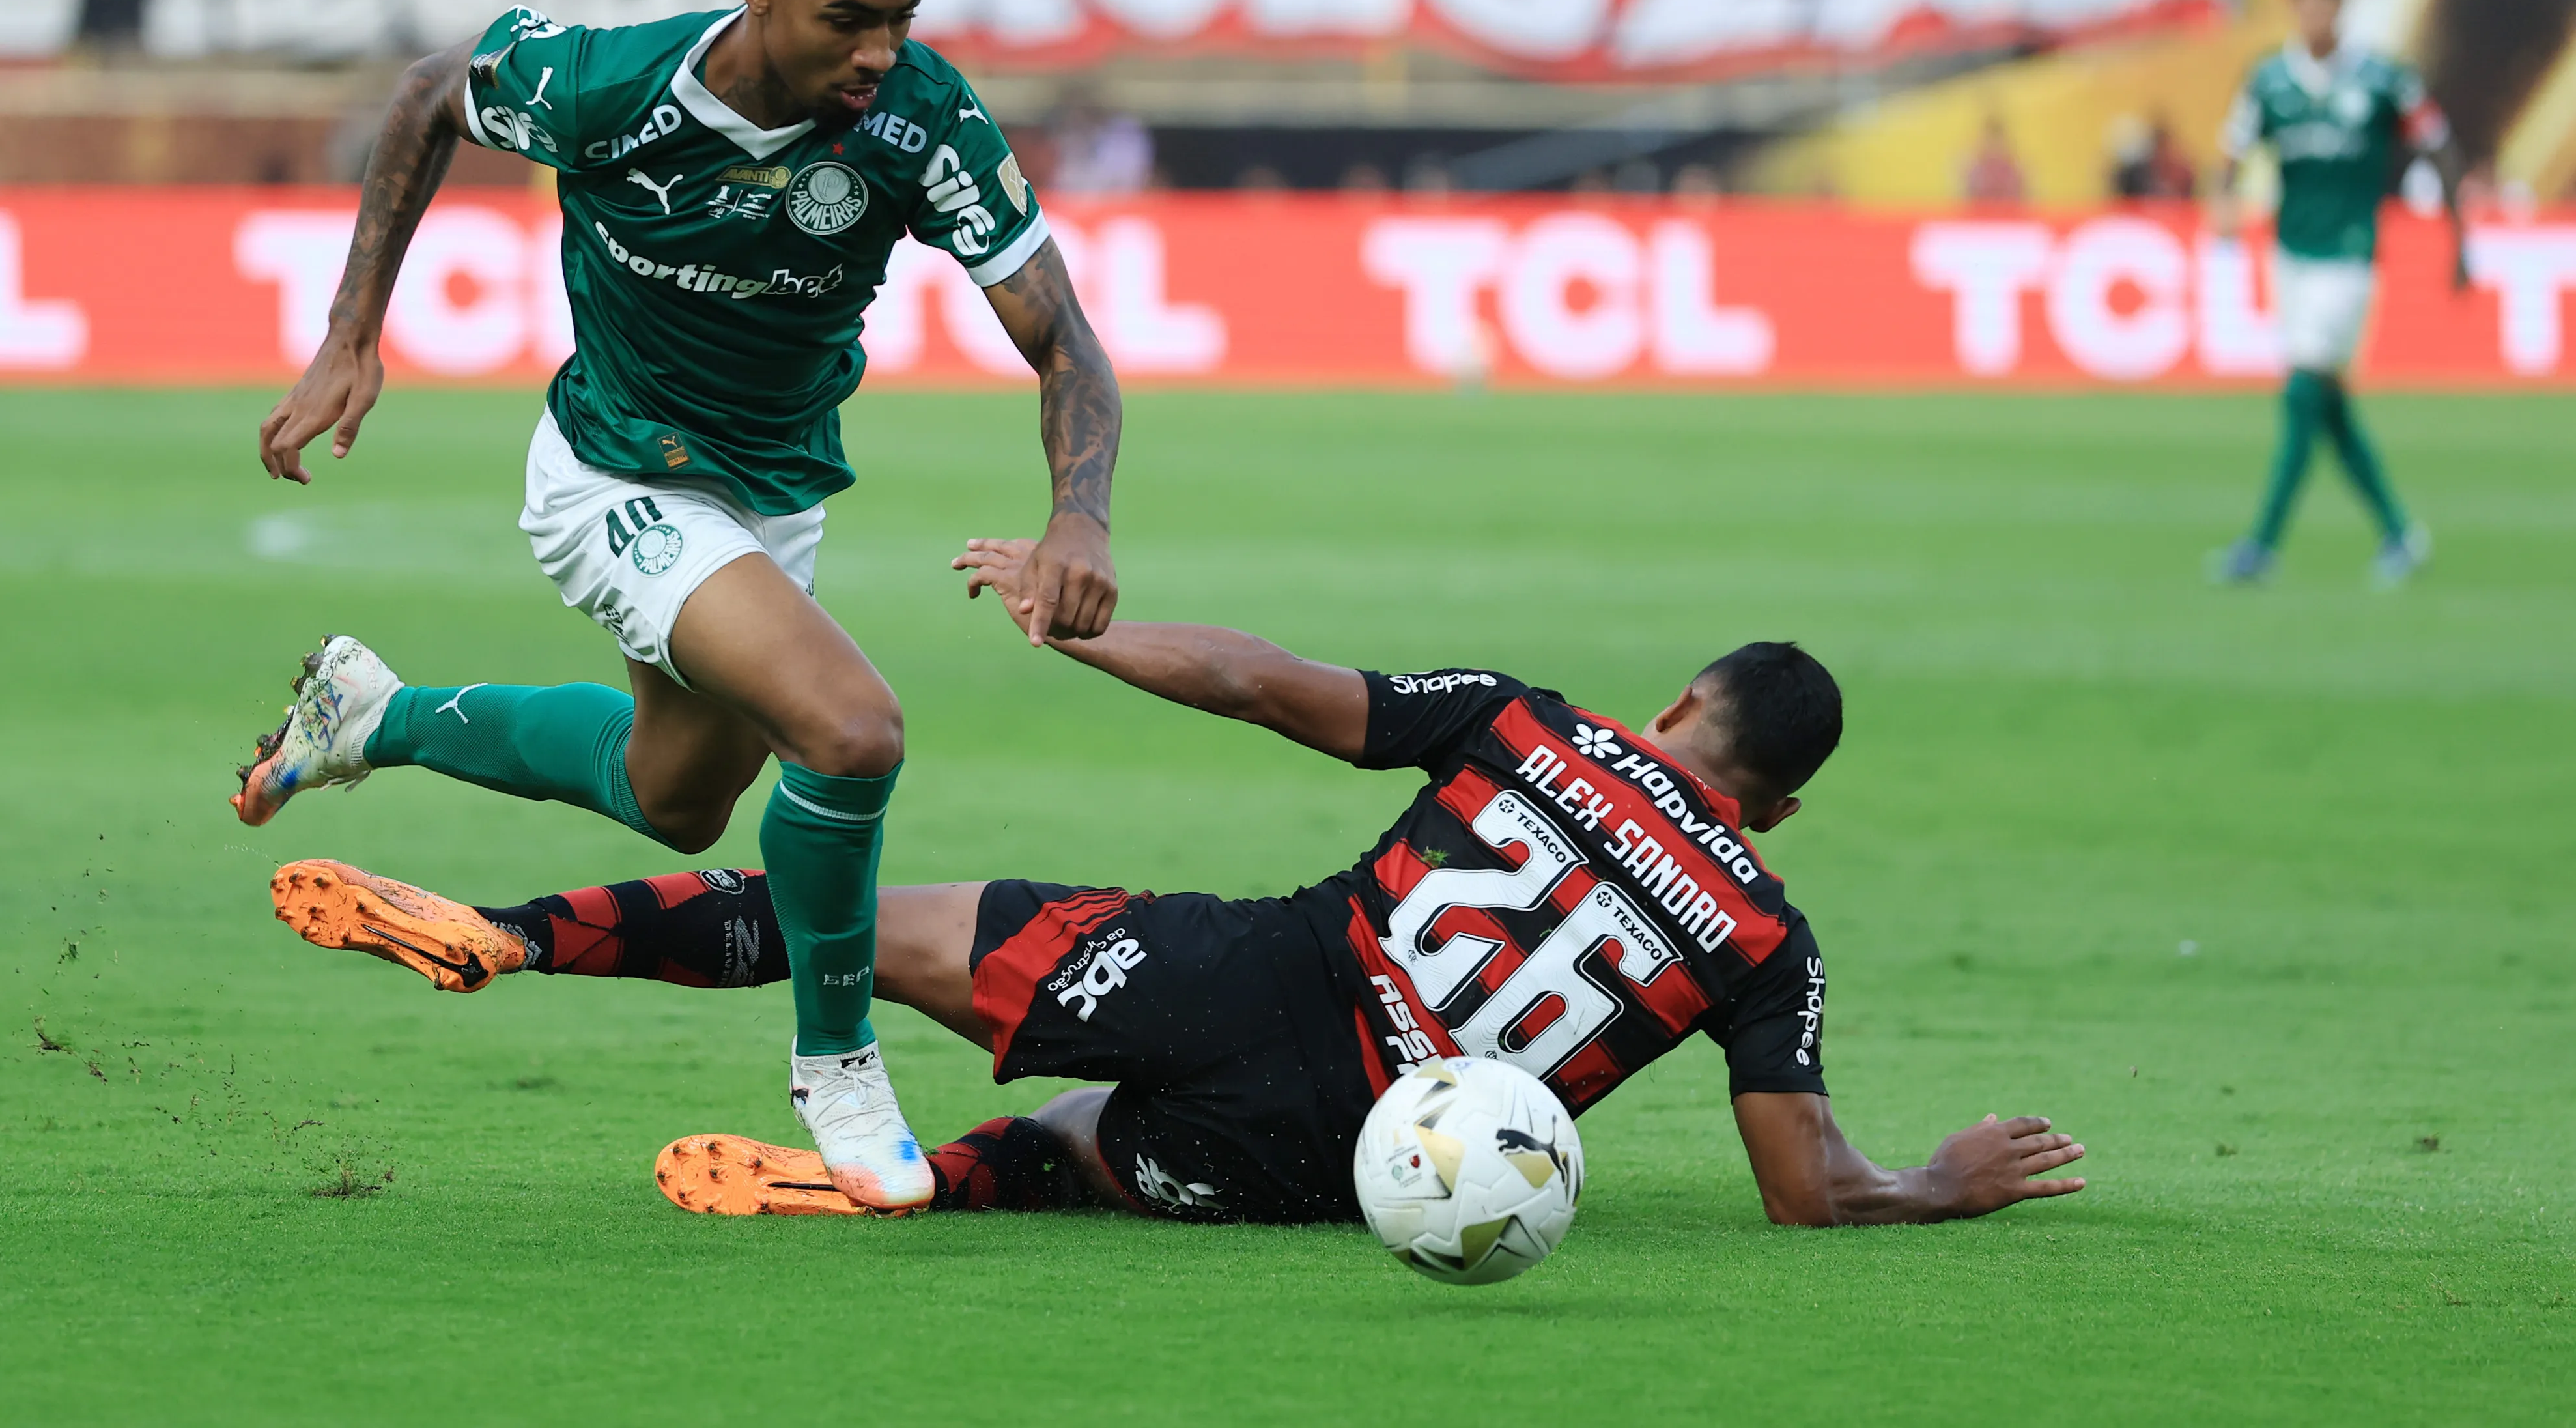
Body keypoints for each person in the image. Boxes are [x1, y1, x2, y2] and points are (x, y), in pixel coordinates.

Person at [264, 537, 2091, 1230]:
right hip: (1347, 1162)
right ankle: (916, 1186)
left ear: (1685, 707)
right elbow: (1802, 1184)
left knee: (848, 921)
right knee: (1082, 1147)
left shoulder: (1543, 728)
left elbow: (1266, 680)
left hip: (1243, 970)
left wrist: (1091, 625)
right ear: (1778, 799)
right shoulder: (1769, 935)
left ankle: (509, 930)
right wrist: (1931, 1180)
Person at [234, 0, 1125, 1212]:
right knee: (851, 728)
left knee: (677, 795)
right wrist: (351, 337)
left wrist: (1080, 517)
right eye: (850, 19)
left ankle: (375, 714)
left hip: (769, 500)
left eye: (904, 16)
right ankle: (838, 1064)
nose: (882, 50)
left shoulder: (924, 124)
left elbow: (1062, 335)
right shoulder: (609, 85)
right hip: (615, 480)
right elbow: (429, 98)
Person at [2209, 0, 2459, 588]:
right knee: (2328, 406)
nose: (2316, 6)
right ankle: (2401, 535)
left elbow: (2438, 147)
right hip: (2290, 257)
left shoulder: (2381, 78)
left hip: (2349, 259)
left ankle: (2261, 545)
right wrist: (2225, 204)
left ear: (2341, 1)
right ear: (2294, 2)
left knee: (2301, 393)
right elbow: (2231, 153)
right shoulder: (2268, 80)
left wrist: (2463, 239)